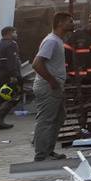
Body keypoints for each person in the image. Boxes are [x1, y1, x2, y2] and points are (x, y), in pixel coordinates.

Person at [30, 13, 69, 162]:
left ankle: (49, 151)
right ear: (60, 23)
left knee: (59, 118)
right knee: (46, 120)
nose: (73, 24)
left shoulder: (57, 40)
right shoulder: (51, 41)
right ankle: (41, 155)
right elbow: (36, 64)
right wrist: (52, 81)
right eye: (69, 21)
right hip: (48, 86)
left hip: (54, 85)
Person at [0, 26, 19, 130]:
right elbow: (12, 62)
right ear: (9, 33)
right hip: (8, 76)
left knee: (0, 98)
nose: (16, 34)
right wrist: (14, 76)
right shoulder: (11, 45)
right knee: (14, 97)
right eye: (15, 32)